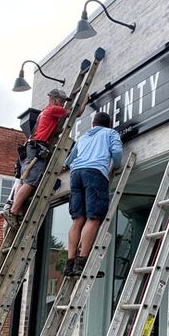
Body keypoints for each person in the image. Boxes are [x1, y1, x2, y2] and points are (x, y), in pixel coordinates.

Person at [3, 88, 90, 229]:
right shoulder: (53, 109)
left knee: (26, 180)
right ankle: (13, 211)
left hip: (33, 147)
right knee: (31, 182)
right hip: (38, 148)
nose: (62, 104)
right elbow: (76, 113)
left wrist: (73, 95)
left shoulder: (45, 112)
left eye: (63, 101)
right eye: (61, 101)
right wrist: (85, 100)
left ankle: (16, 210)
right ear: (53, 99)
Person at [63, 111, 123, 276]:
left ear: (93, 124)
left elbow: (69, 160)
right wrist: (115, 167)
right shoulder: (111, 133)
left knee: (78, 219)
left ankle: (69, 264)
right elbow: (117, 152)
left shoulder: (82, 137)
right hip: (95, 173)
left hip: (76, 175)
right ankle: (81, 263)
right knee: (94, 217)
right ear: (108, 124)